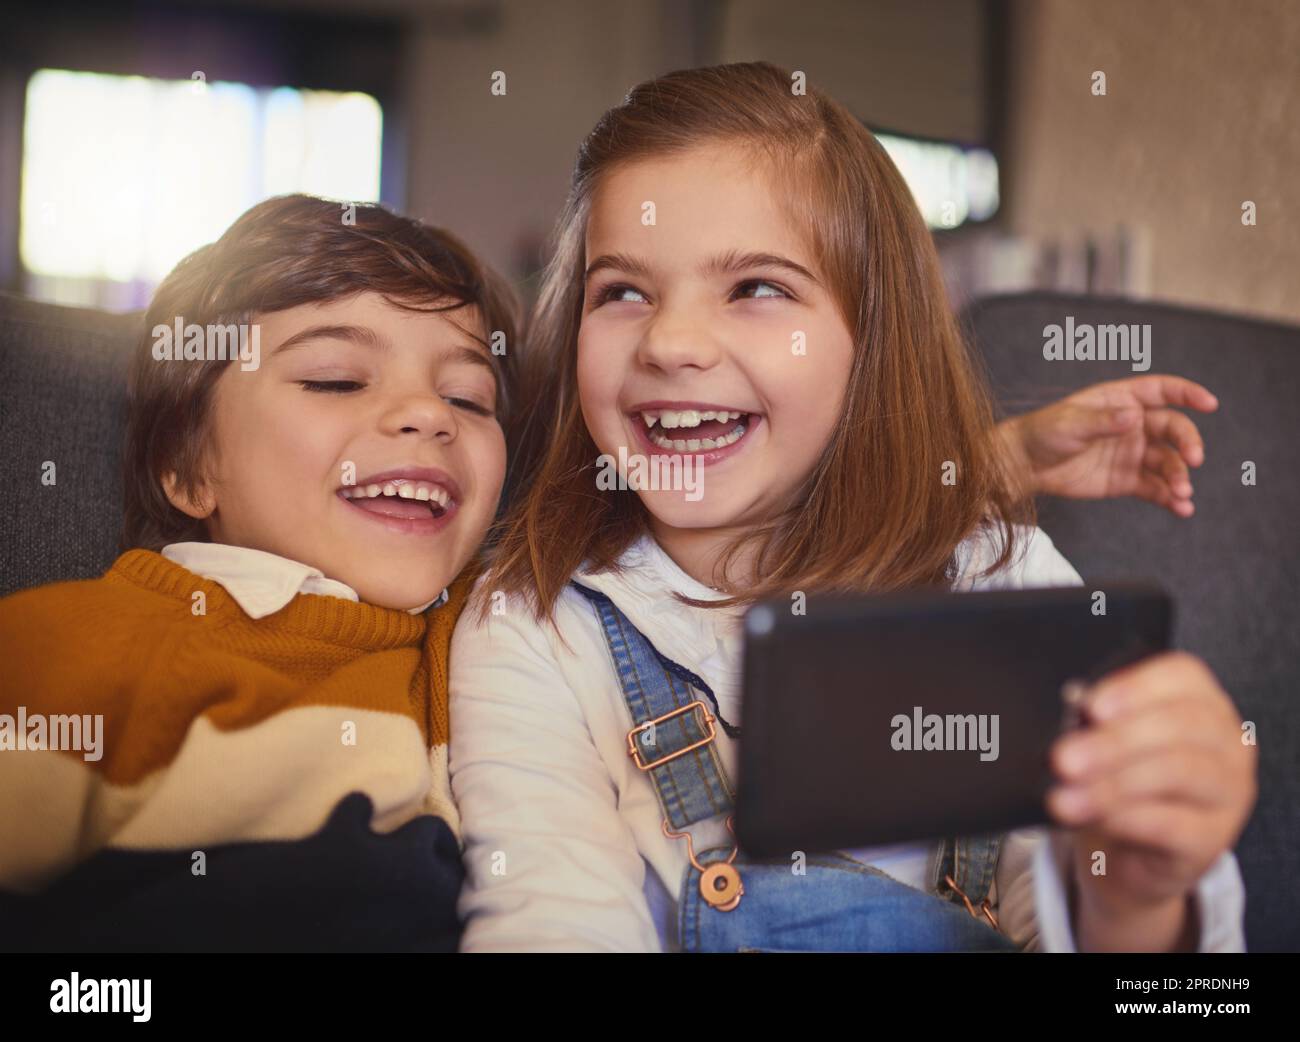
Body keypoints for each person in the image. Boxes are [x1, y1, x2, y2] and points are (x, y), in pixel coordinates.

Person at [449, 62, 1256, 952]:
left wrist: (1139, 897)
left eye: (756, 287)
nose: (670, 341)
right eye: (623, 292)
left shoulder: (1005, 582)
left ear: (872, 340)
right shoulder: (534, 627)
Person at [0, 194, 516, 951]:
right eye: (337, 379)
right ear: (187, 467)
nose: (429, 415)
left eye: (467, 397)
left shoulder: (509, 632)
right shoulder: (68, 647)